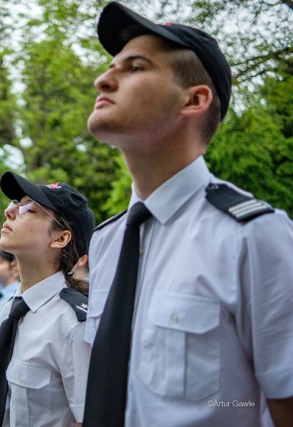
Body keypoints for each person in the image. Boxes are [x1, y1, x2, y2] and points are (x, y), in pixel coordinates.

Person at [83, 3, 293, 426]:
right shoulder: (107, 242)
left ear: (194, 100)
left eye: (135, 68)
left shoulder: (252, 235)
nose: (102, 79)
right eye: (111, 67)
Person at [0, 171, 95, 427]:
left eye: (29, 209)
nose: (10, 211)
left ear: (60, 238)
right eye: (15, 203)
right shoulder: (11, 312)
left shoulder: (73, 324)